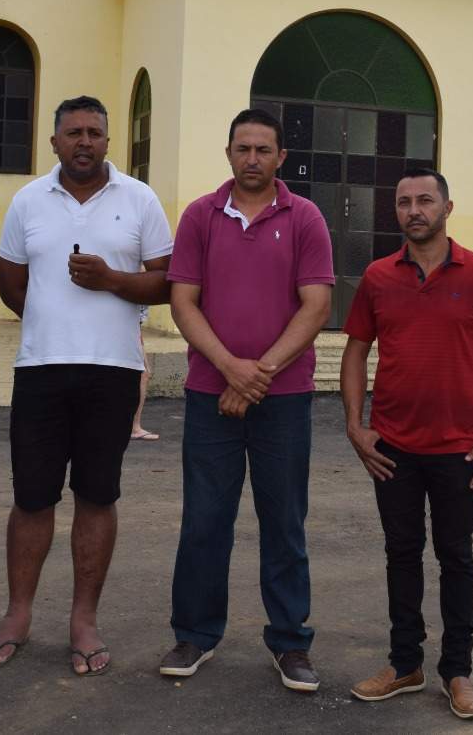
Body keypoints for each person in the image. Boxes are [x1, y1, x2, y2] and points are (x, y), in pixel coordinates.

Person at [0, 96, 173, 675]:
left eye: (94, 132)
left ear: (108, 141)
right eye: (72, 133)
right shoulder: (28, 200)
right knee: (32, 497)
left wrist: (112, 280)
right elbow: (13, 286)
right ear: (54, 141)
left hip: (111, 372)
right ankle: (18, 615)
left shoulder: (140, 200)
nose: (83, 141)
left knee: (97, 496)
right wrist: (52, 322)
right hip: (40, 369)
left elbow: (167, 282)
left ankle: (84, 621)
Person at [339, 167, 473, 720]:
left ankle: (457, 671)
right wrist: (355, 424)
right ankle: (404, 665)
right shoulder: (377, 277)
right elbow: (354, 351)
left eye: (425, 200)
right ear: (394, 212)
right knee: (400, 554)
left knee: (456, 556)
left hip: (460, 450)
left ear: (448, 208)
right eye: (404, 202)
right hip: (391, 446)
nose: (414, 210)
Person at [158, 109, 333, 693]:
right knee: (205, 519)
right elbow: (184, 303)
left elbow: (315, 307)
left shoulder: (304, 217)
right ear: (228, 154)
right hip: (211, 395)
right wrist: (231, 369)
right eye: (243, 148)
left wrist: (258, 374)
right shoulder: (200, 217)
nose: (252, 158)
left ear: (282, 157)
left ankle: (290, 643)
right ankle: (194, 634)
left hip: (284, 400)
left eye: (263, 149)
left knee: (284, 521)